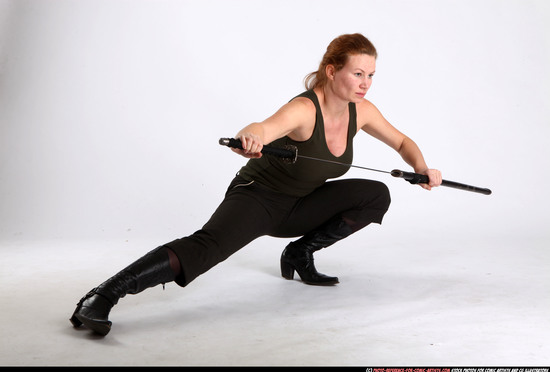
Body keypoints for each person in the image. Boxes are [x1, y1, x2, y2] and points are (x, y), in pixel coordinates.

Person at [70, 33, 442, 336]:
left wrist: (423, 168)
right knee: (204, 249)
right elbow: (263, 128)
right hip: (259, 199)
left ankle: (300, 253)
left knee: (375, 193)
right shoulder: (303, 110)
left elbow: (402, 143)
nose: (365, 83)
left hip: (301, 206)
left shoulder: (363, 112)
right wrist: (249, 138)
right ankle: (103, 295)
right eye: (358, 74)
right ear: (332, 71)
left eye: (371, 75)